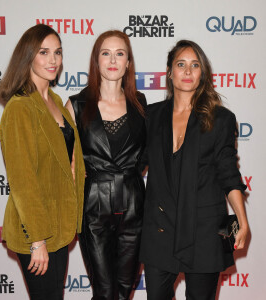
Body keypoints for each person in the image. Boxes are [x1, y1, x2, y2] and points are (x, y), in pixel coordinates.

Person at [140, 40, 249, 300]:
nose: (187, 71)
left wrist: (242, 220)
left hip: (205, 229)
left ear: (202, 73)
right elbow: (131, 162)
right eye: (181, 64)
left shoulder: (220, 119)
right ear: (169, 72)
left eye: (194, 65)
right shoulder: (150, 116)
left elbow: (228, 174)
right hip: (160, 229)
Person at [0, 24, 85, 300]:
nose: (53, 60)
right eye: (43, 52)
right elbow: (22, 180)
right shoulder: (20, 107)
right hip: (35, 232)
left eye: (57, 52)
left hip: (59, 226)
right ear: (28, 57)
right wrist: (37, 241)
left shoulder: (56, 101)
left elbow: (69, 163)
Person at [66, 30, 147, 300]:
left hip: (135, 208)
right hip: (93, 209)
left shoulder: (141, 105)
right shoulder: (76, 106)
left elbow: (151, 154)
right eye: (105, 53)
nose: (113, 60)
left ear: (128, 63)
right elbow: (65, 165)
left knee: (124, 292)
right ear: (96, 61)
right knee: (103, 292)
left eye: (120, 53)